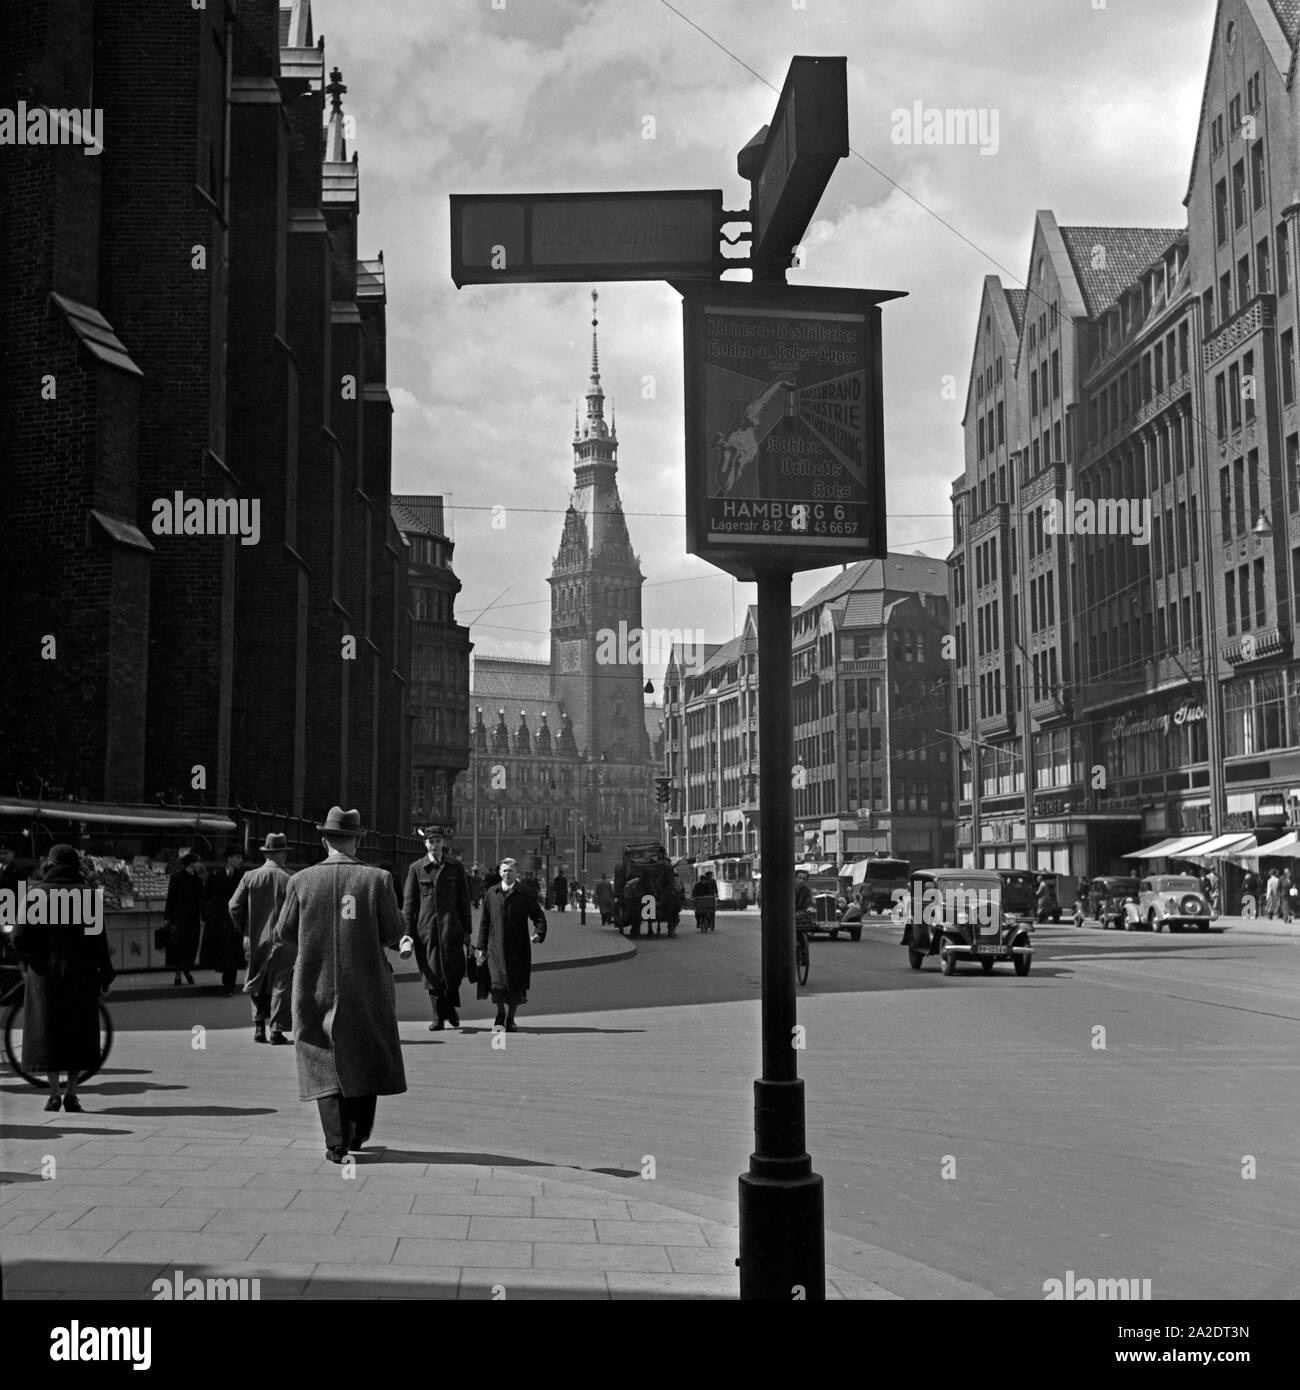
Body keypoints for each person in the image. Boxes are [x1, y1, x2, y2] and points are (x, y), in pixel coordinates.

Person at [272, 806, 406, 1162]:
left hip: (314, 981)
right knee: (366, 1047)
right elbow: (394, 931)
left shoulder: (300, 881)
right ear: (356, 840)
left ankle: (336, 1142)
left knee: (319, 1053)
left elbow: (283, 932)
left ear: (324, 840)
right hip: (365, 983)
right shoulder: (376, 880)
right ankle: (358, 1131)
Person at [12, 844, 114, 1112]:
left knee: (48, 1031)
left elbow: (18, 936)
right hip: (80, 975)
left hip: (44, 976)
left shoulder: (37, 895)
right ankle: (72, 1093)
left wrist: (36, 957)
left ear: (50, 865)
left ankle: (54, 1094)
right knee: (77, 1032)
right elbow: (99, 942)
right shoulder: (87, 896)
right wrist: (106, 975)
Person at [403, 824, 471, 1031]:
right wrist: (407, 933)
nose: (435, 845)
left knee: (453, 971)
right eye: (431, 842)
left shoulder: (455, 867)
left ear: (443, 843)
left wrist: (467, 931)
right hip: (427, 931)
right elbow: (409, 904)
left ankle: (451, 1008)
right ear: (425, 844)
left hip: (452, 928)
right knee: (432, 973)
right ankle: (438, 1018)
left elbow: (464, 900)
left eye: (438, 841)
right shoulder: (416, 868)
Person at [230, 833, 293, 1045]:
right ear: (283, 853)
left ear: (266, 853)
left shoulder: (249, 877)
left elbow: (233, 906)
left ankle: (258, 1026)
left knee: (256, 979)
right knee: (280, 984)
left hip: (255, 939)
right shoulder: (292, 878)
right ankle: (276, 1030)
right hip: (284, 941)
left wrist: (246, 930)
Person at [475, 857, 546, 1032]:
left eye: (511, 871)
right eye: (505, 870)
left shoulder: (525, 893)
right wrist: (480, 947)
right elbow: (485, 922)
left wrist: (538, 933)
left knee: (516, 985)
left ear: (517, 874)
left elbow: (538, 916)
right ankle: (500, 1013)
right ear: (500, 872)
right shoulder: (492, 893)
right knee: (497, 984)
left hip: (518, 947)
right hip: (495, 947)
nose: (508, 874)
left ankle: (511, 1018)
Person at [201, 847, 246, 996]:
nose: (240, 860)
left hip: (235, 921)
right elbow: (206, 897)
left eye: (241, 858)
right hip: (219, 921)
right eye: (237, 857)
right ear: (229, 859)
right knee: (223, 953)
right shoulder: (216, 876)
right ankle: (226, 983)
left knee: (232, 954)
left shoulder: (243, 876)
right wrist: (209, 915)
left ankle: (229, 986)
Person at [163, 852, 204, 986]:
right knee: (178, 946)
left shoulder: (198, 879)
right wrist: (167, 916)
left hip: (193, 918)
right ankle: (178, 972)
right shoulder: (177, 878)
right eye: (197, 862)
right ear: (191, 863)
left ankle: (186, 969)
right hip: (179, 917)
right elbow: (171, 897)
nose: (199, 865)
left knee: (191, 945)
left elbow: (200, 899)